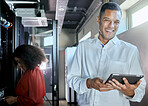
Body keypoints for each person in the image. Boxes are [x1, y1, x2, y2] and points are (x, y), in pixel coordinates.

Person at [67, 2, 146, 106]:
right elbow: (71, 79)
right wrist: (89, 83)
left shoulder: (130, 51)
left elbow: (140, 89)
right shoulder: (83, 47)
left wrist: (130, 92)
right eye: (107, 20)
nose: (111, 26)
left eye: (116, 22)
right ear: (98, 20)